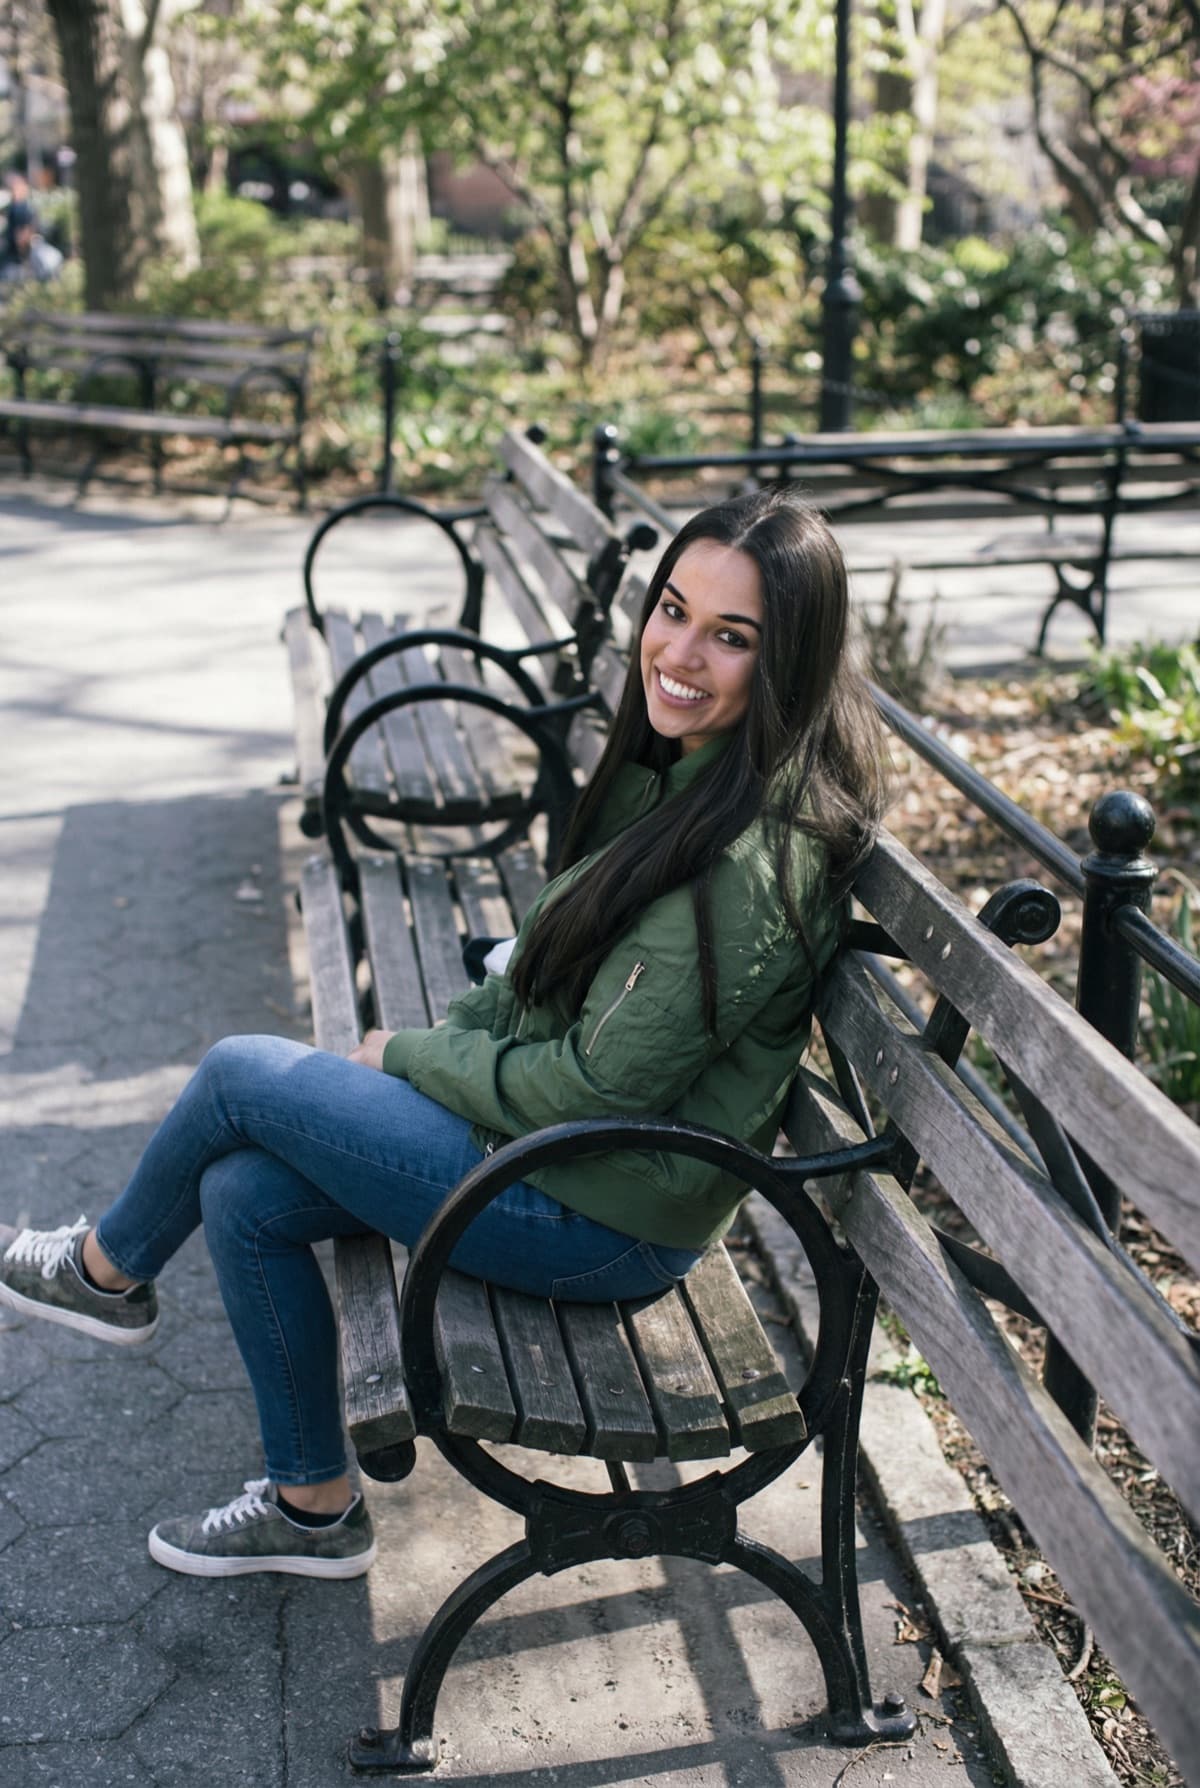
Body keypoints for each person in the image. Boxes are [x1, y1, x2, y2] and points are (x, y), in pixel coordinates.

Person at [0, 491, 887, 1580]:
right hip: (569, 1165)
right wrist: (453, 1036)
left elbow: (587, 1091)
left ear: (788, 660)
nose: (680, 650)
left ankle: (103, 1274)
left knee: (238, 1074)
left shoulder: (747, 859)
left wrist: (408, 1058)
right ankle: (313, 1507)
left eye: (731, 635)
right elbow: (548, 968)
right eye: (673, 609)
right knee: (240, 1194)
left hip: (599, 1216)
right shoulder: (686, 776)